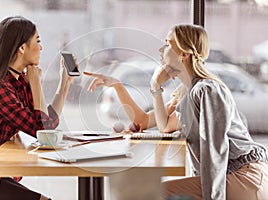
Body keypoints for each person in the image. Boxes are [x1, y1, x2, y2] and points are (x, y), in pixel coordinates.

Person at [84, 24, 268, 199]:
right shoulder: (186, 93)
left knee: (151, 193)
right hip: (231, 176)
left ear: (183, 54)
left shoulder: (207, 90)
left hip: (244, 177)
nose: (160, 50)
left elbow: (215, 152)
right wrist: (122, 85)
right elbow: (150, 123)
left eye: (167, 44)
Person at [0, 16, 76, 200]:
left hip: (0, 174)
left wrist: (64, 84)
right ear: (22, 48)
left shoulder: (19, 82)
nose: (41, 48)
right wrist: (36, 84)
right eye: (38, 41)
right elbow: (43, 132)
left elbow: (46, 126)